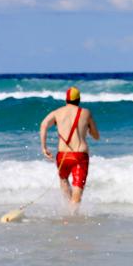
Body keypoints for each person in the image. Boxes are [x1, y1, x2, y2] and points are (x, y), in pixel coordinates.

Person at [40, 86, 100, 214]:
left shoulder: (57, 112)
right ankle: (72, 216)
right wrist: (90, 130)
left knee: (63, 180)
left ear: (66, 99)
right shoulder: (86, 113)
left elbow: (44, 124)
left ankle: (68, 211)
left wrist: (44, 147)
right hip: (80, 155)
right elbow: (96, 136)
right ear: (79, 99)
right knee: (77, 188)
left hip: (63, 155)